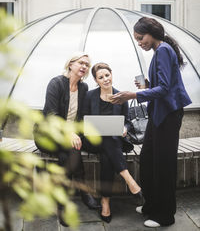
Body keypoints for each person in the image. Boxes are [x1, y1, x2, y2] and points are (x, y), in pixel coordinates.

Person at [110, 17, 192, 227]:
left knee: (163, 165)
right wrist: (147, 85)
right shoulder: (160, 51)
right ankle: (151, 206)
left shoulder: (163, 50)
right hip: (160, 114)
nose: (139, 42)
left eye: (141, 38)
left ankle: (164, 215)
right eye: (137, 39)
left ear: (152, 32)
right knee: (148, 160)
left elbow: (165, 89)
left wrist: (134, 94)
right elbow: (164, 84)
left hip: (168, 115)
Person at [34, 52, 100, 226]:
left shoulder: (83, 88)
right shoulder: (56, 83)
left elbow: (81, 117)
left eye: (87, 64)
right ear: (70, 64)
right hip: (48, 135)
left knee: (70, 153)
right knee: (72, 149)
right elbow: (51, 115)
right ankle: (83, 193)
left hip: (69, 138)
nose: (84, 66)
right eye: (81, 63)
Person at [82, 62, 142, 223]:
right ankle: (129, 179)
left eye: (107, 75)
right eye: (101, 77)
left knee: (108, 153)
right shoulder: (89, 96)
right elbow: (83, 120)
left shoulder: (121, 96)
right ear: (96, 80)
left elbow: (128, 121)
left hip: (113, 142)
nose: (105, 79)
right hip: (92, 140)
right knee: (108, 139)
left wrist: (124, 127)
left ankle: (105, 201)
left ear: (111, 75)